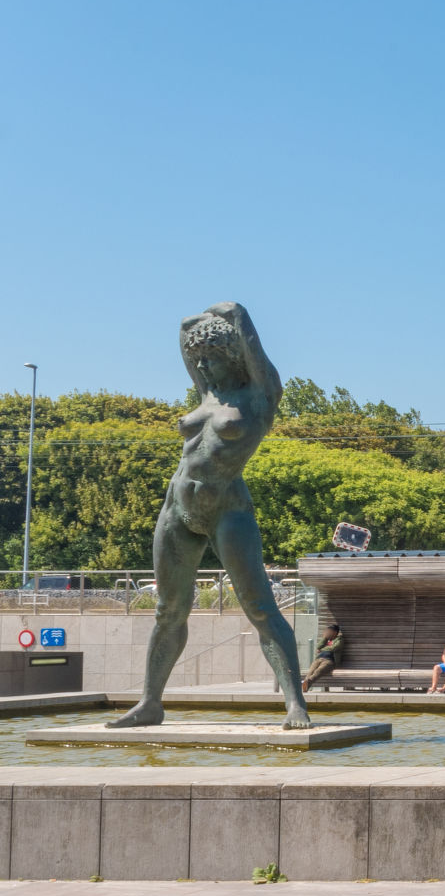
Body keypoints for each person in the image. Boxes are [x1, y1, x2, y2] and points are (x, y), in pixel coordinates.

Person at [105, 304, 313, 730]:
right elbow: (185, 330)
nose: (201, 366)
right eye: (199, 360)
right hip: (177, 508)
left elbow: (241, 323)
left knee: (259, 608)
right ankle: (150, 702)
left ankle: (295, 704)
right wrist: (201, 332)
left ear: (233, 357)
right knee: (168, 609)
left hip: (227, 509)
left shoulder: (260, 396)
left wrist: (231, 316)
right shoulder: (207, 393)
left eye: (211, 359)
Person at [301, 623, 345, 690]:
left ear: (335, 632)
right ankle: (305, 685)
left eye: (329, 631)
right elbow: (318, 646)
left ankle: (307, 682)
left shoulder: (340, 640)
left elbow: (334, 648)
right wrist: (325, 638)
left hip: (329, 660)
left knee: (318, 671)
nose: (327, 632)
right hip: (319, 659)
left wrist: (322, 649)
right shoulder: (326, 640)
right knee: (310, 672)